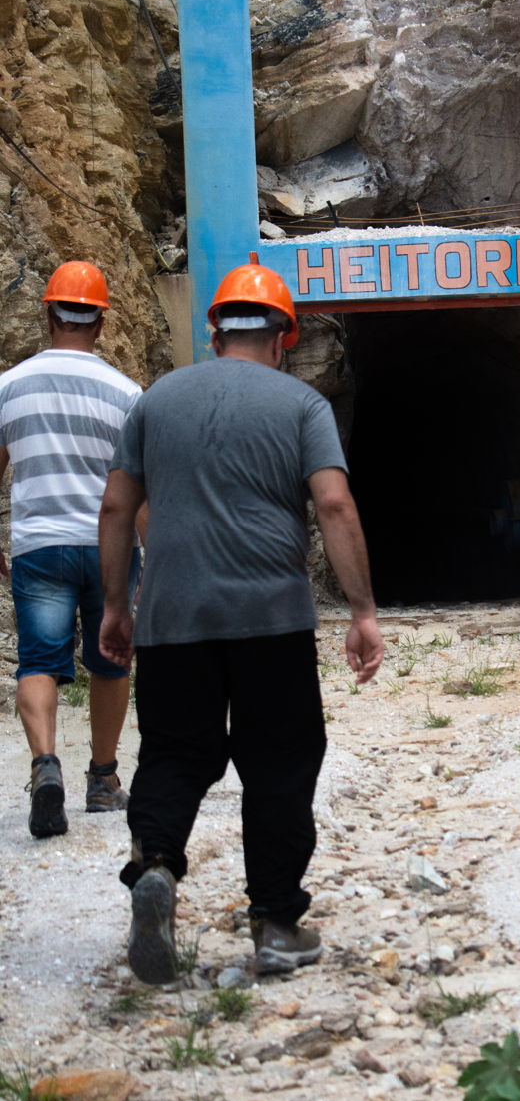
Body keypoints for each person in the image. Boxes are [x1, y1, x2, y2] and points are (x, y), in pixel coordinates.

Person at [98, 263, 384, 986]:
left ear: (214, 330)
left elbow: (113, 508)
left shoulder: (157, 400)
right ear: (284, 337)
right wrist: (361, 610)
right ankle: (278, 925)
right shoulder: (300, 405)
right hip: (271, 620)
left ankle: (157, 866)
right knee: (280, 762)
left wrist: (116, 606)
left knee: (172, 752)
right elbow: (335, 504)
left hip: (172, 620)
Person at [0, 261, 144, 839]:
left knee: (38, 661)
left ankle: (44, 765)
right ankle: (104, 780)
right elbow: (139, 487)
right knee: (111, 660)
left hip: (39, 546)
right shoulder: (126, 393)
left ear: (47, 312)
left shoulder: (8, 386)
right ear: (101, 322)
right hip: (109, 545)